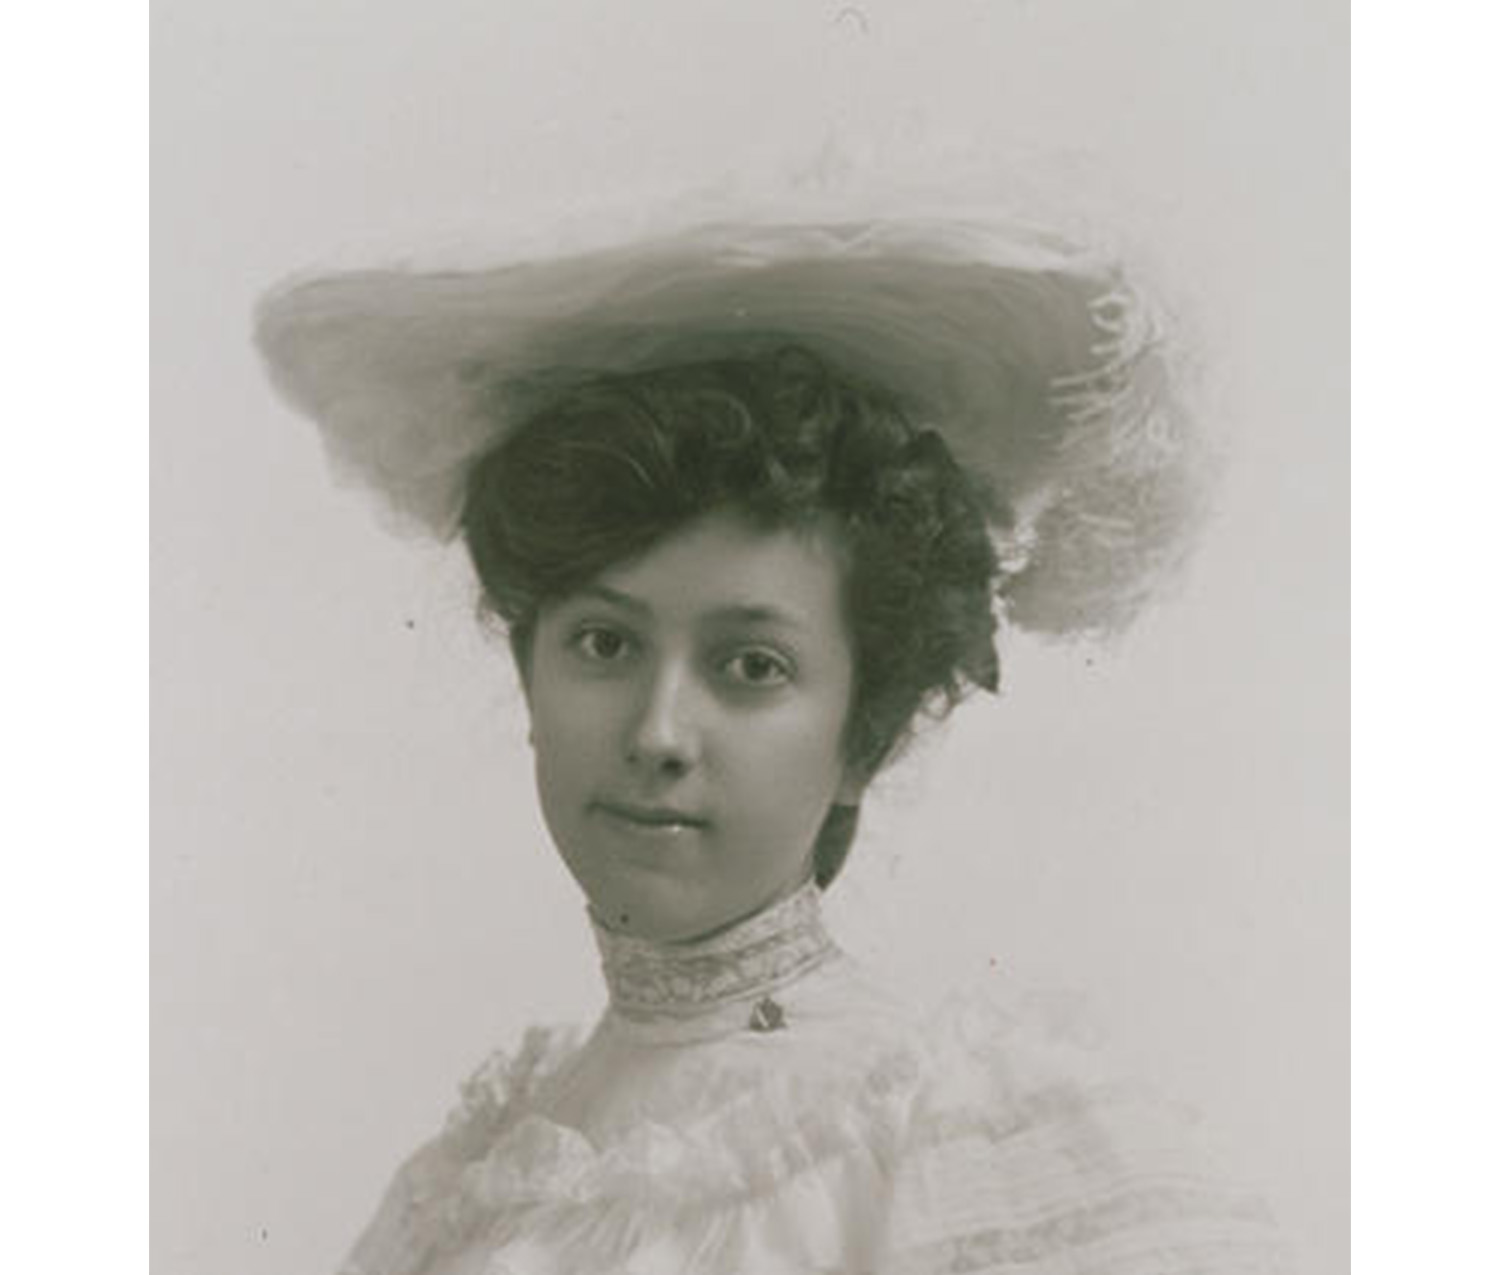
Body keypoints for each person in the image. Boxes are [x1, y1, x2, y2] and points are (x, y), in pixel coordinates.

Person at [256, 212, 1292, 1273]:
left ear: (866, 735)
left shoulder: (956, 1140)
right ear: (531, 679)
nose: (658, 733)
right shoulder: (466, 1196)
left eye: (751, 666)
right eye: (604, 644)